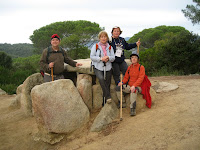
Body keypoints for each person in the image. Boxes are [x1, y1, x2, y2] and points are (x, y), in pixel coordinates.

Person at [116, 51, 145, 116]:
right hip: (130, 86)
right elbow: (126, 77)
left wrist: (134, 86)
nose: (133, 59)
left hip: (138, 87)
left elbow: (140, 78)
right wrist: (122, 82)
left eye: (135, 57)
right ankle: (122, 103)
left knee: (133, 90)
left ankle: (132, 109)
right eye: (132, 57)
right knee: (118, 88)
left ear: (138, 59)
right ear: (130, 59)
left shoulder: (141, 67)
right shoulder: (129, 68)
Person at [90, 31, 115, 106]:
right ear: (99, 38)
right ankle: (108, 97)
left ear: (107, 38)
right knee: (101, 79)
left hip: (108, 67)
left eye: (105, 37)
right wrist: (101, 59)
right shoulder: (96, 46)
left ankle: (104, 103)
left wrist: (108, 57)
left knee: (107, 83)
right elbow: (92, 57)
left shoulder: (110, 47)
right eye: (102, 37)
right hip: (98, 67)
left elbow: (113, 58)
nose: (103, 38)